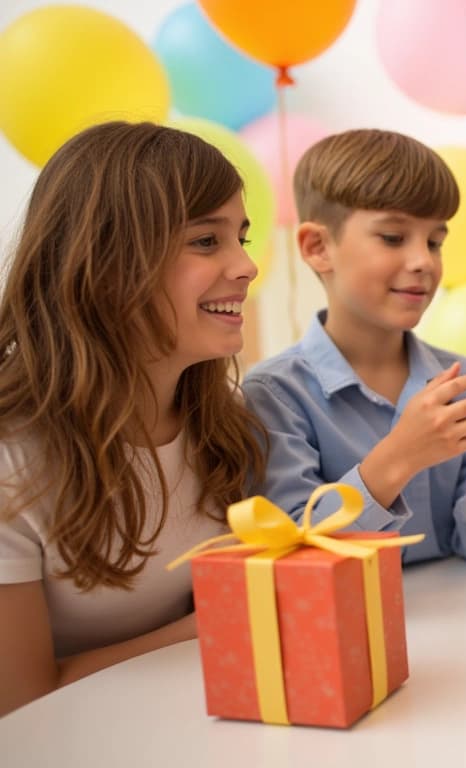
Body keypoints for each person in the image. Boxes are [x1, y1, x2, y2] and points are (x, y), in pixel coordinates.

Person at [0, 122, 265, 715]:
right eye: (205, 241)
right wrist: (213, 621)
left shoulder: (226, 422)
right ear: (108, 264)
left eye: (241, 238)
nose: (246, 266)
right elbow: (18, 701)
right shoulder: (12, 457)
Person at [243, 129, 466, 564]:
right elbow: (296, 557)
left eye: (435, 242)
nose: (423, 261)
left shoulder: (459, 380)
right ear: (318, 247)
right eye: (394, 238)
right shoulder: (276, 394)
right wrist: (400, 455)